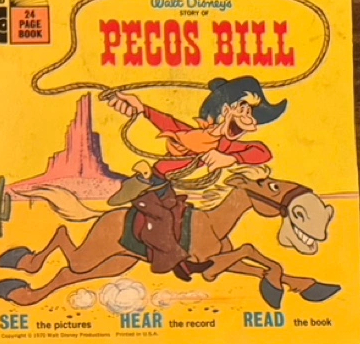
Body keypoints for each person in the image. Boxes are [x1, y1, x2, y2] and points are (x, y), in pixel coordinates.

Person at [104, 77, 286, 279]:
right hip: (152, 186)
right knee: (163, 218)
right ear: (225, 109)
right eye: (243, 110)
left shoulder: (223, 145)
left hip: (169, 189)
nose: (249, 120)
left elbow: (262, 152)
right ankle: (175, 262)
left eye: (251, 114)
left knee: (183, 217)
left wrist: (231, 158)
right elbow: (168, 123)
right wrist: (141, 108)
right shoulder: (193, 136)